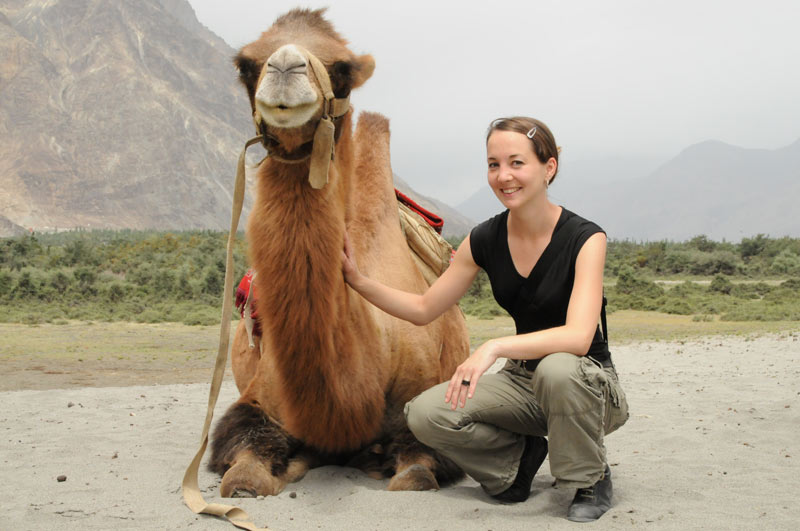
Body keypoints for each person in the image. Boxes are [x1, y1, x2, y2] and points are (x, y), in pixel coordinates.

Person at [341, 116, 629, 522]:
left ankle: (590, 478)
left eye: (516, 163)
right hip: (524, 383)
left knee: (558, 370)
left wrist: (493, 347)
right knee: (425, 414)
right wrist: (357, 280)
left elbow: (579, 337)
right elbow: (424, 308)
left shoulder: (585, 238)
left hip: (587, 386)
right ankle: (516, 462)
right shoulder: (484, 239)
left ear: (549, 168)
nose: (503, 176)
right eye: (494, 164)